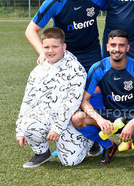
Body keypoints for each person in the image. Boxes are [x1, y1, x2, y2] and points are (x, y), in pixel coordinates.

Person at [71, 30, 134, 165]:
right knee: (77, 118)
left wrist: (132, 124)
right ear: (107, 47)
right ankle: (108, 146)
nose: (117, 49)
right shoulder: (98, 68)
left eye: (121, 45)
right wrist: (100, 119)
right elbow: (84, 101)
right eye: (113, 45)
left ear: (127, 48)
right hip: (111, 116)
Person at [16, 28, 92, 167]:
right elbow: (28, 100)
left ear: (64, 46)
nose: (50, 50)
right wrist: (20, 130)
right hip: (46, 116)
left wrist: (58, 127)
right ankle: (42, 153)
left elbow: (72, 102)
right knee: (27, 125)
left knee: (70, 162)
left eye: (55, 46)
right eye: (46, 47)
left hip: (67, 120)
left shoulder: (76, 68)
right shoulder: (38, 71)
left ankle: (89, 140)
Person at [27, 0, 107, 73]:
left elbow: (116, 8)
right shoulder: (54, 1)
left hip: (91, 53)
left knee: (96, 88)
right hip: (64, 54)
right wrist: (42, 52)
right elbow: (30, 30)